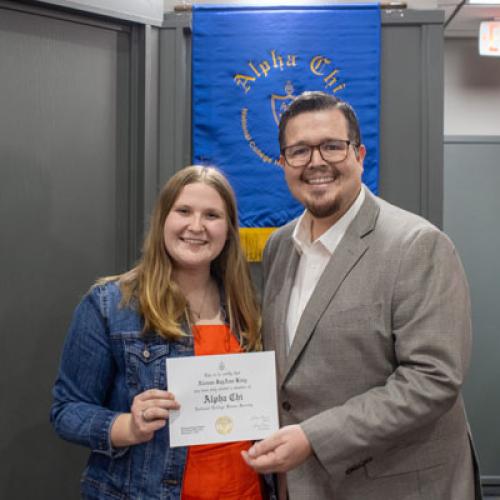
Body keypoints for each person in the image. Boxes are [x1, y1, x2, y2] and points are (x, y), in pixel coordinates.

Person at [242, 91, 482, 499]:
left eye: (332, 146)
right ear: (282, 163)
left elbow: (433, 378)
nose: (316, 162)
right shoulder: (279, 247)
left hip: (397, 485)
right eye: (299, 151)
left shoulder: (417, 245)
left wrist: (313, 438)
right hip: (300, 485)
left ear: (359, 154)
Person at [51, 166, 269, 500]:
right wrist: (128, 427)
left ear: (228, 230)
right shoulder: (111, 304)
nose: (196, 226)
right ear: (162, 220)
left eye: (212, 215)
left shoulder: (246, 306)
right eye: (183, 211)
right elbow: (67, 410)